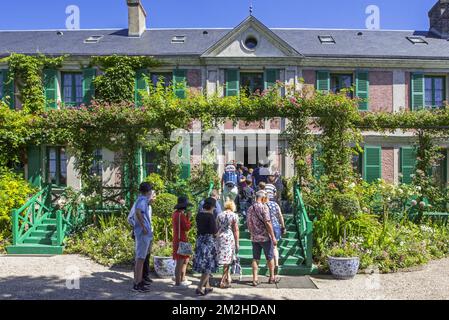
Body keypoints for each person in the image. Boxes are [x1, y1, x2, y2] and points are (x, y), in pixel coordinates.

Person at [247, 191, 280, 286]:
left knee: (255, 258)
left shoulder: (250, 208)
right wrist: (273, 236)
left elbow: (248, 223)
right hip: (265, 237)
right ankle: (272, 277)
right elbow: (268, 222)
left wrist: (252, 232)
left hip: (255, 237)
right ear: (262, 198)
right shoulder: (264, 207)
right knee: (270, 257)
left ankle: (255, 279)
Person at [193, 197, 219, 296]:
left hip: (200, 241)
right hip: (208, 242)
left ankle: (207, 286)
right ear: (212, 206)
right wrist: (219, 232)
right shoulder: (210, 216)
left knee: (204, 264)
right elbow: (214, 232)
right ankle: (199, 287)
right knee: (208, 266)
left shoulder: (199, 214)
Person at [132, 182, 155, 293]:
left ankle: (138, 282)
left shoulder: (142, 200)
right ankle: (137, 283)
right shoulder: (142, 200)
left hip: (143, 233)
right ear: (148, 191)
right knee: (140, 259)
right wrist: (143, 226)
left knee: (140, 258)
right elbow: (138, 212)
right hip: (142, 233)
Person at [216, 200, 240, 289]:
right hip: (229, 237)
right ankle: (222, 281)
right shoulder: (234, 215)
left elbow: (217, 227)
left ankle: (228, 277)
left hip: (220, 237)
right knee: (227, 260)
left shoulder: (220, 215)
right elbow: (236, 230)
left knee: (225, 259)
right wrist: (237, 242)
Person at [172, 196, 193, 288]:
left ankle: (182, 279)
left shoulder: (175, 214)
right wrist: (188, 218)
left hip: (180, 239)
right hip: (181, 240)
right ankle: (178, 282)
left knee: (185, 259)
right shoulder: (181, 215)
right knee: (180, 262)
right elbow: (187, 227)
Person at [265, 193, 286, 274]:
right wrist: (283, 226)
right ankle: (276, 263)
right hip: (276, 226)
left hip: (268, 226)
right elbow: (280, 216)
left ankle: (270, 264)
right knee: (274, 246)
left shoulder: (265, 205)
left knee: (267, 247)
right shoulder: (276, 205)